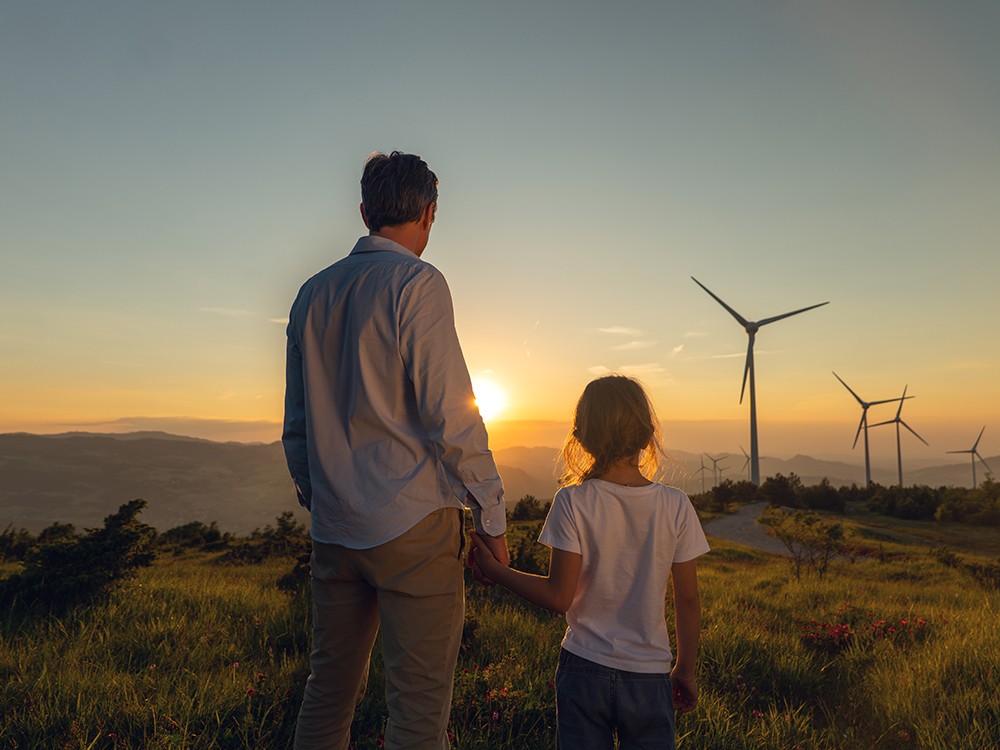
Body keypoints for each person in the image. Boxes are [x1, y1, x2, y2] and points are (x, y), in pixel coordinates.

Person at [283, 150, 510, 750]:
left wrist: (319, 494)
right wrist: (491, 513)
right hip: (412, 523)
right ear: (429, 214)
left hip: (334, 528)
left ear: (364, 211)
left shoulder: (311, 293)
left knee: (327, 693)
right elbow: (452, 415)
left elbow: (298, 424)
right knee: (416, 710)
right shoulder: (418, 283)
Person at [470, 375, 709, 750]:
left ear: (580, 438)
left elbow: (558, 597)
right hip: (649, 676)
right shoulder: (676, 505)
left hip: (584, 668)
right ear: (648, 435)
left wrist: (497, 571)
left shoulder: (572, 501)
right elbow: (689, 600)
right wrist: (685, 670)